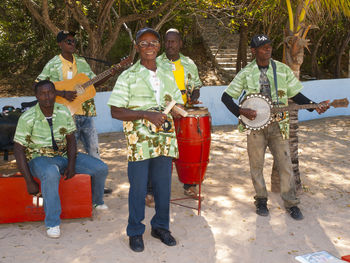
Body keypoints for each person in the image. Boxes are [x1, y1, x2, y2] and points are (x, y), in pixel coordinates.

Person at [221, 34, 329, 220]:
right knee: (256, 165)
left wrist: (314, 106)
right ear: (254, 51)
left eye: (269, 46)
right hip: (255, 127)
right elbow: (225, 97)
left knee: (285, 165)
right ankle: (261, 200)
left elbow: (296, 96)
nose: (268, 49)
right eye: (263, 47)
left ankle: (291, 203)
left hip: (279, 125)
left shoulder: (282, 70)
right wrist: (241, 112)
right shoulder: (246, 72)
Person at [108, 28, 183, 252]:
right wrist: (145, 114)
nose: (149, 47)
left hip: (164, 137)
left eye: (153, 43)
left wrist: (179, 111)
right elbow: (115, 111)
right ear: (137, 47)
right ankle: (135, 231)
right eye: (144, 43)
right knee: (139, 188)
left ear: (159, 46)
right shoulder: (128, 76)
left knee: (163, 187)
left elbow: (175, 101)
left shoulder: (167, 73)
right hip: (140, 140)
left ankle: (160, 227)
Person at [13, 80, 108, 238]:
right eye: (42, 93)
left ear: (54, 93)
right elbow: (18, 149)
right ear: (37, 96)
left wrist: (71, 164)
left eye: (50, 92)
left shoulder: (63, 111)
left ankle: (97, 201)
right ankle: (52, 223)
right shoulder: (27, 117)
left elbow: (71, 139)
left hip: (63, 155)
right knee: (51, 173)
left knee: (100, 168)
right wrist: (28, 180)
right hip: (39, 158)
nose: (47, 97)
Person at [36, 30, 115, 194]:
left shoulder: (82, 62)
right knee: (69, 152)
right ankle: (73, 186)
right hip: (65, 115)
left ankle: (97, 186)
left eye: (73, 41)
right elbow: (38, 85)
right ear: (60, 44)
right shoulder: (52, 64)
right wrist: (62, 93)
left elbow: (94, 83)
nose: (72, 43)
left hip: (85, 112)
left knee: (93, 149)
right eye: (68, 41)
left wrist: (111, 73)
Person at [149, 28, 203, 204]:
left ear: (180, 43)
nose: (170, 44)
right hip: (162, 114)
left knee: (186, 151)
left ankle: (189, 185)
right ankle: (151, 191)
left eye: (174, 41)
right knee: (158, 152)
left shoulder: (189, 63)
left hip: (183, 114)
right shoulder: (155, 62)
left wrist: (193, 98)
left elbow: (196, 86)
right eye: (167, 41)